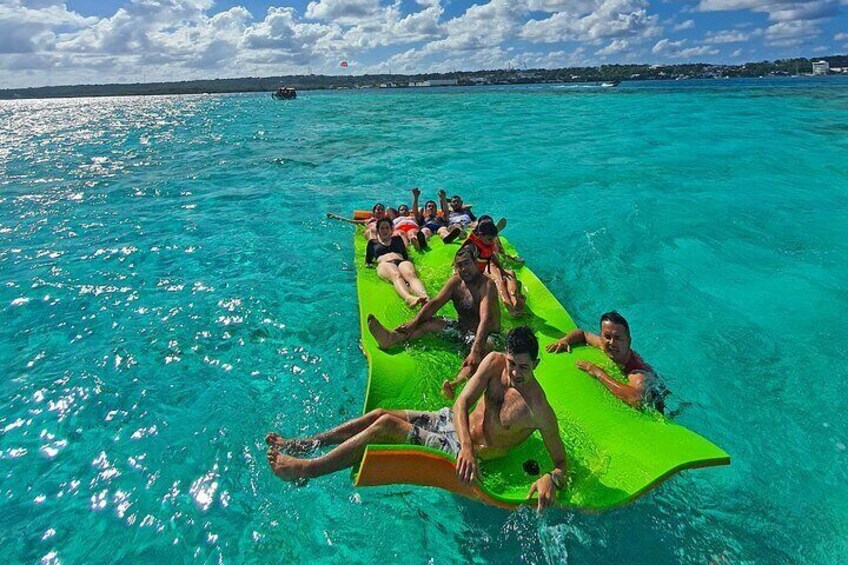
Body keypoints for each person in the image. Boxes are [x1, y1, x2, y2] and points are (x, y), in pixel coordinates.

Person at [266, 326, 569, 512]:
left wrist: (550, 478)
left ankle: (309, 469)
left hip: (468, 454)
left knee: (385, 427)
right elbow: (462, 402)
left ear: (537, 364)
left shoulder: (537, 408)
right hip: (455, 429)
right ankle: (308, 443)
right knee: (379, 414)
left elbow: (561, 463)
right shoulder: (493, 363)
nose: (515, 372)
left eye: (524, 368)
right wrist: (464, 442)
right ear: (505, 354)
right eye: (512, 363)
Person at [367, 245, 500, 398]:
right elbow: (435, 303)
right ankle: (391, 339)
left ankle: (454, 385)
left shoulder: (486, 285)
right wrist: (414, 322)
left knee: (483, 350)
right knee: (428, 322)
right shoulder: (456, 282)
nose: (464, 269)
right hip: (463, 330)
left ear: (475, 263)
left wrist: (475, 350)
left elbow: (486, 319)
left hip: (487, 336)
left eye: (467, 263)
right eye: (460, 265)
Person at [546, 311, 666, 412]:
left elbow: (635, 398)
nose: (612, 343)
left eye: (618, 338)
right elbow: (583, 333)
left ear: (628, 341)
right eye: (607, 336)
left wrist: (598, 373)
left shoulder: (637, 373)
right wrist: (565, 340)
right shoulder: (605, 345)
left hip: (656, 395)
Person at [463, 217, 526, 317]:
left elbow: (501, 253)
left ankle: (515, 300)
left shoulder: (493, 238)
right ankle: (509, 305)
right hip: (484, 264)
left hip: (492, 262)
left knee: (510, 273)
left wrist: (510, 261)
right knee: (498, 278)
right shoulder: (473, 241)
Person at [366, 218, 428, 308]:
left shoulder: (398, 239)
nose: (385, 230)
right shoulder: (372, 243)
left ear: (391, 230)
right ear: (378, 231)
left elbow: (405, 255)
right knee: (396, 274)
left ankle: (425, 297)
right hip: (385, 264)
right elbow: (368, 262)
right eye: (382, 228)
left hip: (401, 261)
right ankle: (409, 298)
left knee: (411, 274)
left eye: (387, 228)